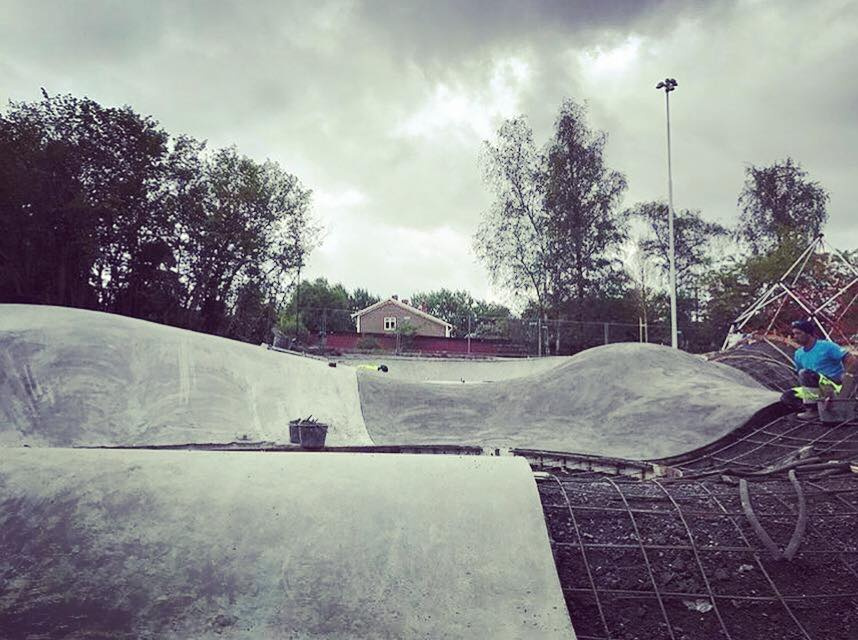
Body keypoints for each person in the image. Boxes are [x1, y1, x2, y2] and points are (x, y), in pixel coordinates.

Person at [783, 319, 857, 419]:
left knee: (805, 373)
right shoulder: (798, 353)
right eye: (794, 334)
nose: (795, 337)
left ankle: (813, 410)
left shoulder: (826, 346)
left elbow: (850, 359)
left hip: (831, 385)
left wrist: (847, 377)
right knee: (788, 396)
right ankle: (820, 407)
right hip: (814, 389)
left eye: (798, 333)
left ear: (808, 334)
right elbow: (800, 376)